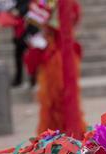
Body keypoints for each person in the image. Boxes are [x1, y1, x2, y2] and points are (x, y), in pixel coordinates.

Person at [26, 0, 85, 135]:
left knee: (64, 97)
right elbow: (33, 24)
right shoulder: (43, 3)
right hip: (51, 56)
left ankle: (66, 133)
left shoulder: (66, 4)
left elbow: (73, 18)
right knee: (51, 101)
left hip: (62, 55)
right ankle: (53, 134)